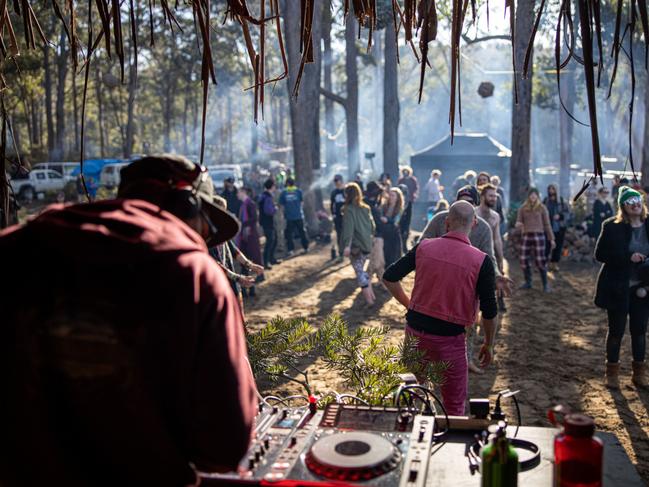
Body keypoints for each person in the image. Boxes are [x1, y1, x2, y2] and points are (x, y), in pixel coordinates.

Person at [0, 154, 258, 486]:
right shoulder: (194, 275)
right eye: (208, 228)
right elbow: (225, 447)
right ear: (188, 207)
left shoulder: (14, 250)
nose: (206, 241)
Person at [383, 201, 497, 415]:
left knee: (413, 396)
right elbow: (490, 311)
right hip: (451, 342)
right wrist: (489, 344)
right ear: (473, 224)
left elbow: (389, 277)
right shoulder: (481, 261)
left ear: (446, 222)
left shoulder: (424, 246)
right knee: (454, 405)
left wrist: (411, 305)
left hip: (415, 335)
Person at [595, 186, 649, 389]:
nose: (635, 204)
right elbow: (599, 254)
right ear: (623, 207)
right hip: (618, 286)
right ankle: (612, 373)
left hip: (644, 288)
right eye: (630, 202)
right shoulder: (611, 226)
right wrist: (627, 258)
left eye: (637, 200)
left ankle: (639, 374)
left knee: (639, 330)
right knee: (616, 330)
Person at [341, 182, 376, 306]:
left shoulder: (348, 210)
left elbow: (349, 229)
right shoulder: (366, 208)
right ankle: (372, 296)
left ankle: (369, 301)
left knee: (360, 273)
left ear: (347, 195)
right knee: (363, 272)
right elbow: (373, 227)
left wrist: (347, 246)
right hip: (367, 245)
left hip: (356, 247)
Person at [516, 188, 555, 292]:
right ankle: (528, 282)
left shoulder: (542, 208)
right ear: (528, 196)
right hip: (526, 235)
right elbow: (518, 221)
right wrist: (518, 225)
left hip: (539, 235)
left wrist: (551, 239)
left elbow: (547, 224)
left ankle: (545, 284)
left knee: (540, 260)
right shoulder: (523, 208)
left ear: (538, 196)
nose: (533, 196)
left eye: (535, 195)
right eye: (531, 195)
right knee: (523, 259)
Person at [237, 187, 264, 297]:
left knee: (251, 261)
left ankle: (251, 288)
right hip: (245, 237)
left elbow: (254, 218)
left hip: (250, 237)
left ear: (244, 192)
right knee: (244, 264)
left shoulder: (250, 204)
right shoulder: (243, 205)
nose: (237, 194)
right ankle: (246, 289)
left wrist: (244, 225)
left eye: (239, 192)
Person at [477, 184, 504, 276]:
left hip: (490, 256)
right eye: (490, 196)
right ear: (483, 197)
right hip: (474, 255)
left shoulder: (496, 216)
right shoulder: (473, 214)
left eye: (495, 196)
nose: (493, 198)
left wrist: (500, 259)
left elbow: (497, 239)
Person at [543, 184, 571, 271]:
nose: (551, 191)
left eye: (553, 189)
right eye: (550, 189)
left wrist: (560, 216)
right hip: (547, 227)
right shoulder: (545, 201)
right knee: (546, 246)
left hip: (559, 227)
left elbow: (568, 214)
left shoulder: (562, 202)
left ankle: (554, 264)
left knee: (558, 247)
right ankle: (544, 263)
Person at [279, 177, 309, 256]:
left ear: (287, 184)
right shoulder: (298, 191)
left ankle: (290, 250)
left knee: (289, 234)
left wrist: (282, 215)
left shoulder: (284, 192)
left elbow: (281, 206)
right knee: (302, 232)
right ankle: (306, 247)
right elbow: (302, 203)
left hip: (289, 217)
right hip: (299, 215)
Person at [258, 178, 280, 269]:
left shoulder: (263, 195)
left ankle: (271, 259)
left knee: (274, 240)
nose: (275, 187)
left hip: (266, 222)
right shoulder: (267, 197)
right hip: (268, 222)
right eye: (274, 185)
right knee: (270, 241)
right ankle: (266, 262)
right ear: (271, 186)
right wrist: (275, 208)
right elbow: (268, 211)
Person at [381, 187, 405, 268]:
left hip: (394, 235)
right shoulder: (384, 206)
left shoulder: (400, 208)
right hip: (384, 233)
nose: (390, 197)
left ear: (397, 197)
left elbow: (396, 222)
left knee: (393, 256)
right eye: (390, 195)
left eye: (393, 195)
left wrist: (387, 220)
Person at [398, 166, 419, 248]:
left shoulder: (412, 180)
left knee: (408, 217)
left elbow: (415, 188)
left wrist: (413, 195)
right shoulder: (401, 180)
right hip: (402, 201)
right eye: (404, 171)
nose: (405, 173)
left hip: (409, 201)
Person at [330, 174, 346, 259]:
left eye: (337, 180)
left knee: (347, 234)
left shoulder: (346, 191)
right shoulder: (334, 192)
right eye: (335, 181)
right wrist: (333, 214)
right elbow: (332, 204)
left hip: (347, 217)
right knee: (339, 234)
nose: (336, 183)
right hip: (338, 217)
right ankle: (341, 253)